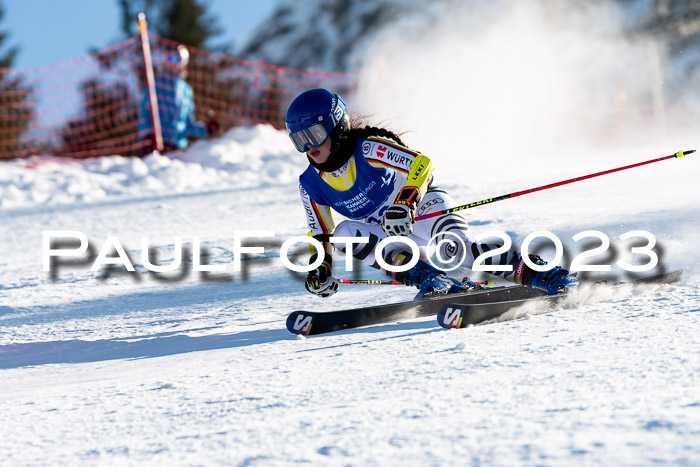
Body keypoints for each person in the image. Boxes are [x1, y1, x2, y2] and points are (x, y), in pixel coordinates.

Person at [285, 88, 579, 299]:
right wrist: (319, 268)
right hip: (386, 232)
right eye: (299, 140)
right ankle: (431, 280)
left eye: (313, 134)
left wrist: (405, 204)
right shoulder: (309, 183)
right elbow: (320, 232)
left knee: (458, 253)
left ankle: (546, 275)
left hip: (423, 209)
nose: (308, 146)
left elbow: (421, 164)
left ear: (336, 127)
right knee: (344, 234)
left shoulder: (368, 148)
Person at [138, 45, 219, 153]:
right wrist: (147, 135)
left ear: (184, 62)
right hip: (156, 144)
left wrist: (206, 129)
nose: (174, 63)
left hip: (177, 147)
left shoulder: (186, 90)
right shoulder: (155, 84)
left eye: (178, 59)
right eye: (170, 58)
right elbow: (144, 113)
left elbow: (188, 123)